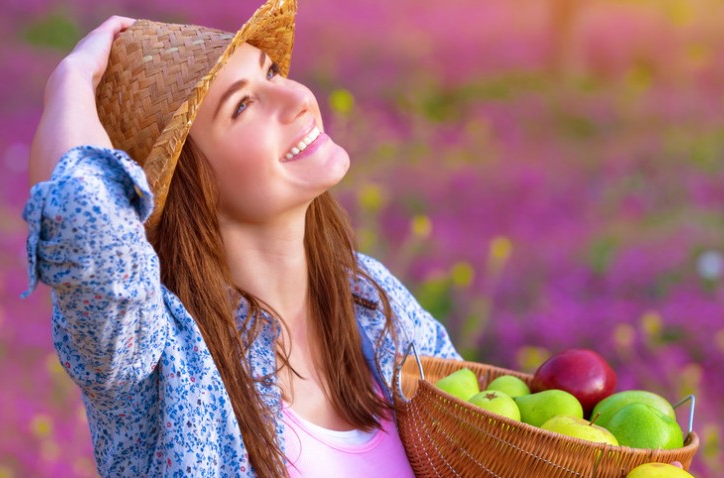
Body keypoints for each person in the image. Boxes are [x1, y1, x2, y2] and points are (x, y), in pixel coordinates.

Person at [23, 0, 461, 476]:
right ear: (193, 186)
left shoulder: (369, 301)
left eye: (272, 72)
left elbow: (480, 433)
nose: (298, 99)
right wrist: (70, 77)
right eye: (244, 105)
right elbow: (85, 218)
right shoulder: (159, 365)